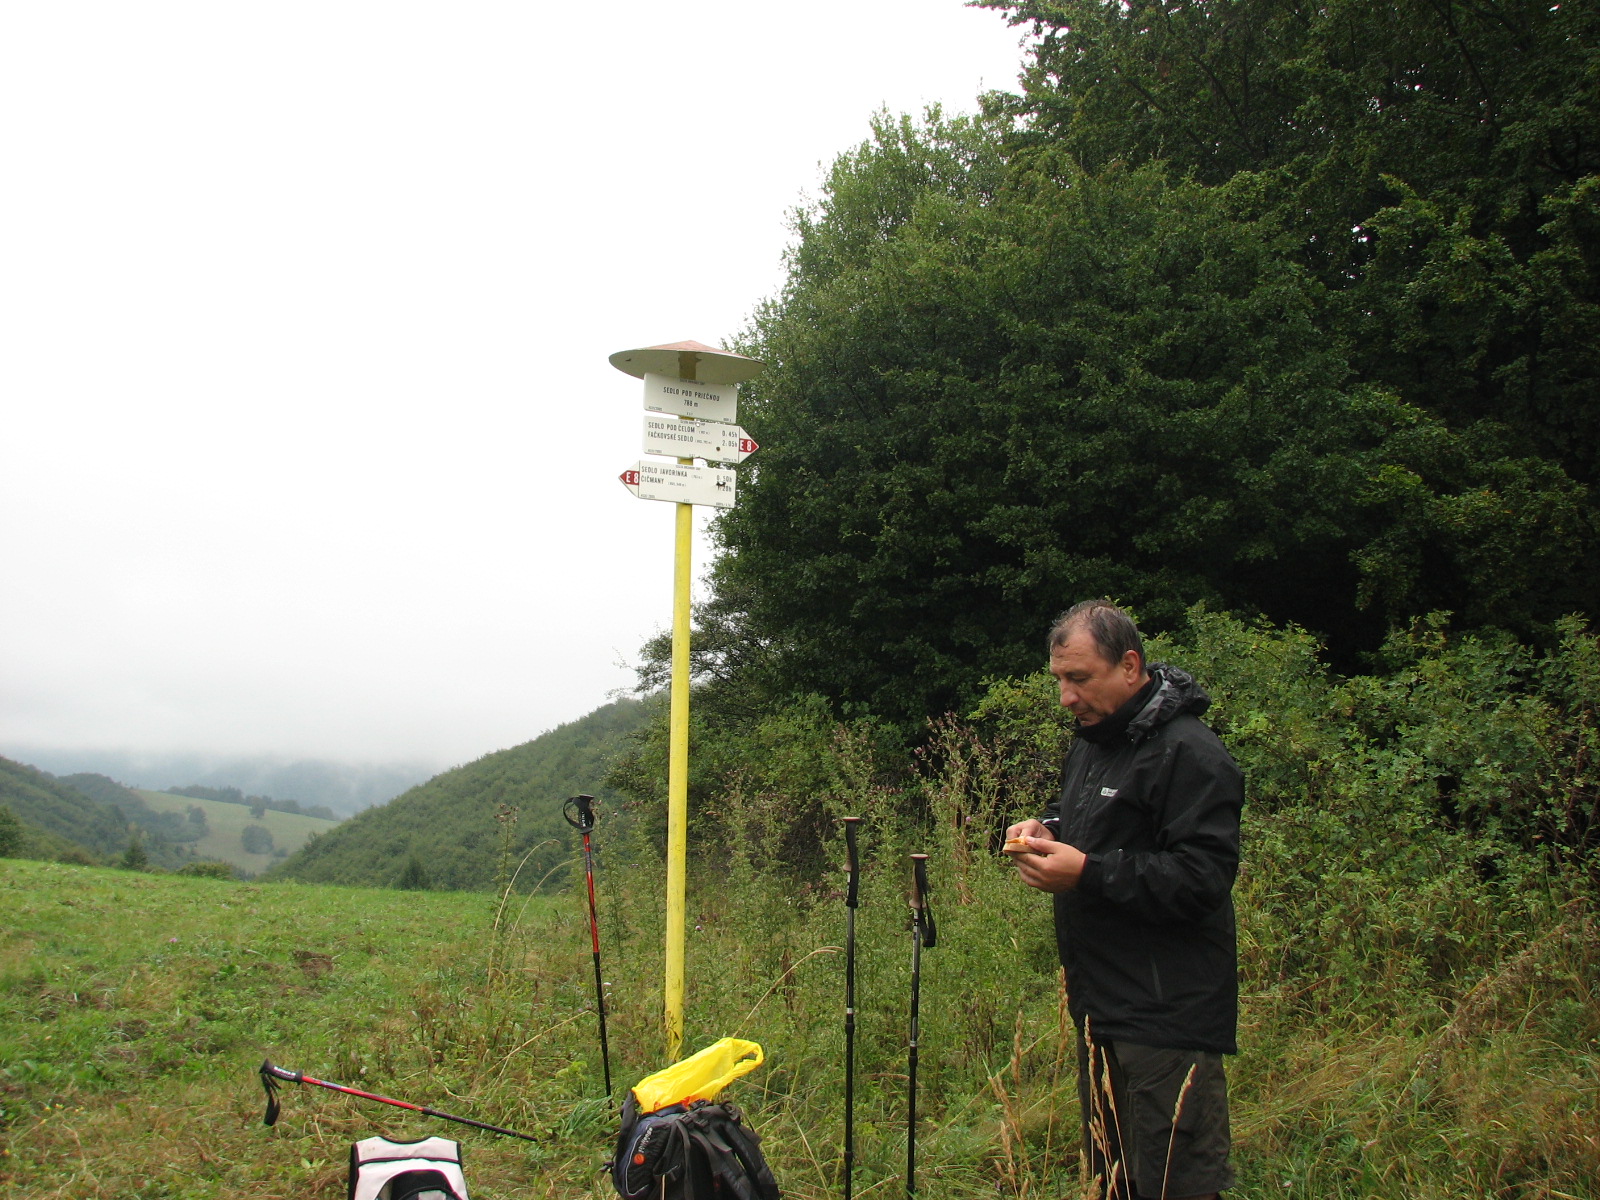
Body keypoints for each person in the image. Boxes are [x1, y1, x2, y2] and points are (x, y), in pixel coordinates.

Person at [1006, 600, 1242, 1200]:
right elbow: (1091, 819)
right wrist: (1046, 829)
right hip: (1100, 1005)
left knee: (1175, 1185)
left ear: (1130, 666)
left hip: (1166, 1016)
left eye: (1080, 679)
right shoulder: (1096, 741)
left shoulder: (1192, 753)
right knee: (1113, 1181)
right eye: (1060, 679)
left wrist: (1086, 873)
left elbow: (1202, 879)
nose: (1067, 697)